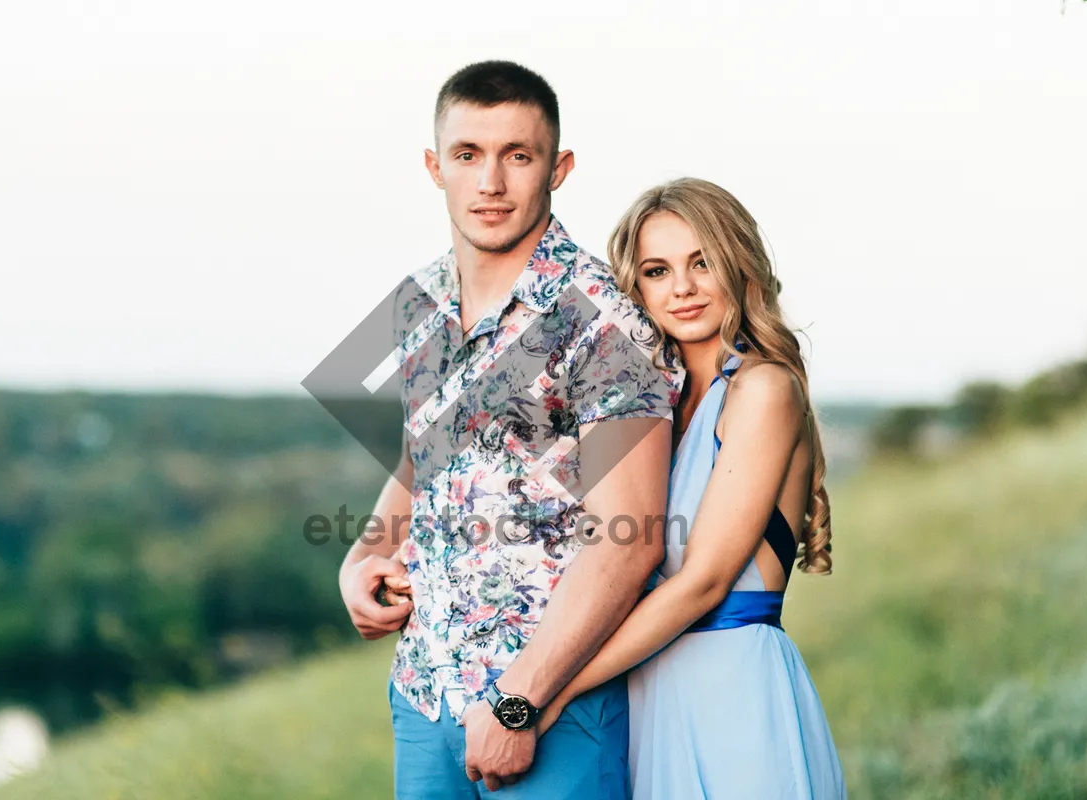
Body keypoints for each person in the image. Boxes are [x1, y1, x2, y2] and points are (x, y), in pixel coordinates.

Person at [337, 60, 683, 799]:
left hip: (551, 708)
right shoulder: (418, 302)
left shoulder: (604, 318)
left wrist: (520, 700)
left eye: (516, 156)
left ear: (558, 167)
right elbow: (424, 452)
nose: (490, 182)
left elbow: (628, 541)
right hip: (425, 691)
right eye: (468, 155)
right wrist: (364, 554)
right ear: (436, 167)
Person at [528, 178, 848, 798]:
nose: (682, 287)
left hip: (731, 692)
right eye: (657, 270)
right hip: (651, 694)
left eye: (702, 262)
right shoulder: (655, 409)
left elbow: (702, 583)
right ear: (636, 287)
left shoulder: (763, 389)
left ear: (740, 263)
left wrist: (553, 690)